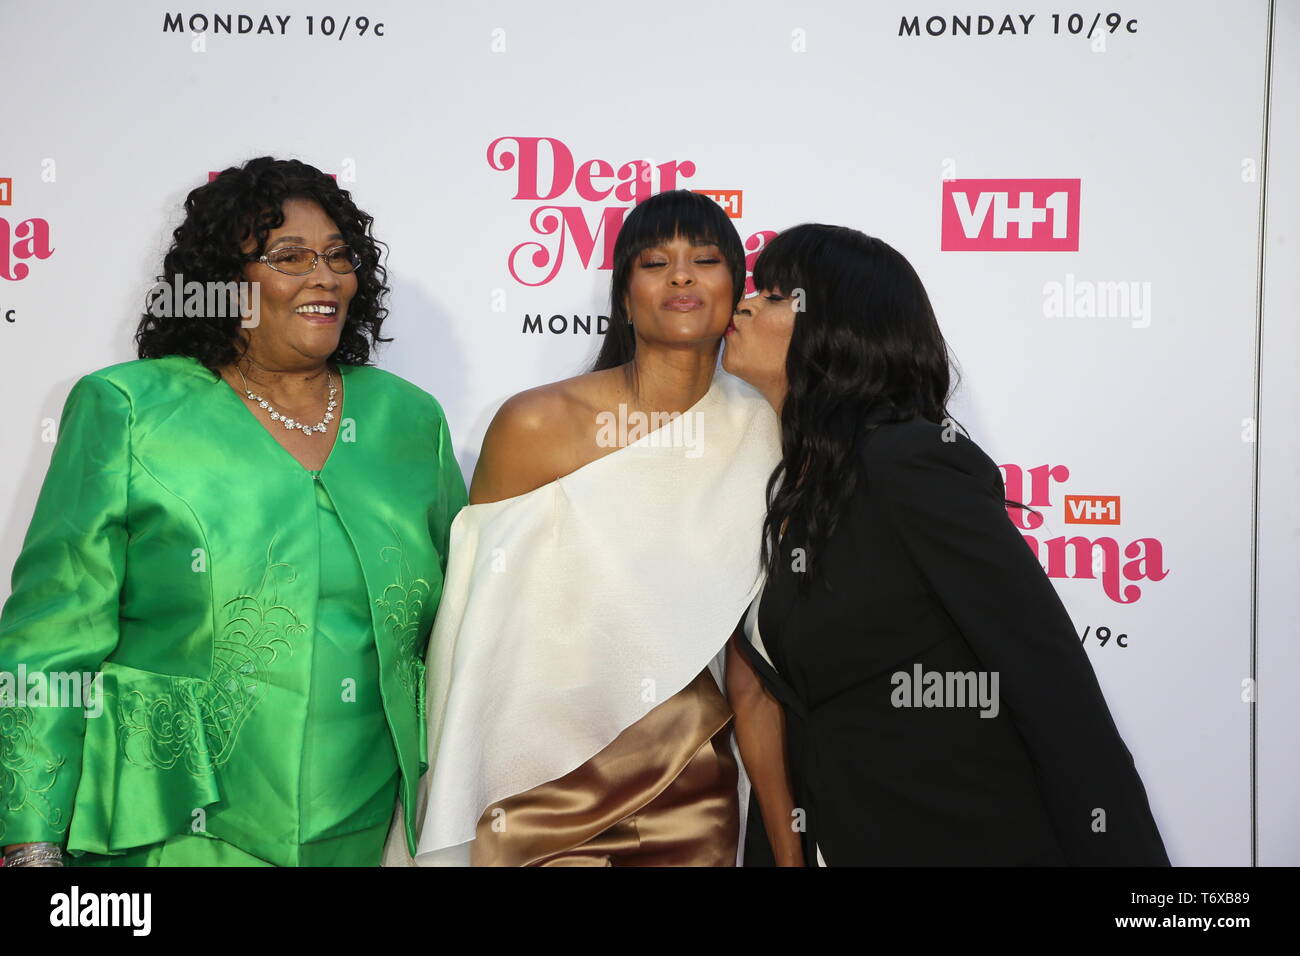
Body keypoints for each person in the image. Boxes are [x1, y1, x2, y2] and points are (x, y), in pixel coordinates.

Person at [0, 157, 466, 867]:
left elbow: (463, 623)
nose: (326, 277)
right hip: (170, 833)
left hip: (366, 834)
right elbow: (48, 642)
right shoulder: (129, 409)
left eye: (340, 257)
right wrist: (30, 840)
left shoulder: (408, 421)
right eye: (289, 257)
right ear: (223, 283)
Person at [721, 223, 1170, 866]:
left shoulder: (908, 463)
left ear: (840, 326)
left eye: (773, 294)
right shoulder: (795, 490)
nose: (744, 303)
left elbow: (1050, 683)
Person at [394, 190, 780, 866]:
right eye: (656, 262)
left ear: (736, 292)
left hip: (688, 782)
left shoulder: (766, 432)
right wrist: (450, 789)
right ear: (624, 298)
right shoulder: (534, 426)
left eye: (706, 260)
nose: (683, 276)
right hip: (531, 787)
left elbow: (756, 656)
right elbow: (470, 626)